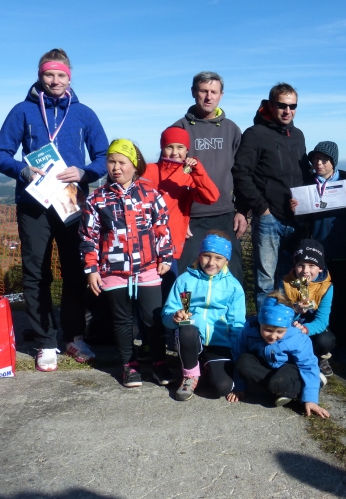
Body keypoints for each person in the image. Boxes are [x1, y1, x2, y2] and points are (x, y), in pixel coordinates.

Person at [0, 48, 108, 372]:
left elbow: (102, 157)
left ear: (70, 77)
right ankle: (45, 341)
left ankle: (74, 337)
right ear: (40, 76)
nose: (55, 81)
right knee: (36, 273)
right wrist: (22, 171)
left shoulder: (84, 114)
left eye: (60, 75)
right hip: (34, 205)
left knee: (75, 271)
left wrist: (84, 172)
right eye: (48, 75)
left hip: (71, 202)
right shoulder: (22, 111)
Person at [80, 139, 174, 388]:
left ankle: (159, 362)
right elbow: (88, 237)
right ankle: (128, 366)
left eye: (122, 162)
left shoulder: (151, 194)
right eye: (111, 161)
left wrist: (165, 256)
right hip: (113, 270)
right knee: (122, 321)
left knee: (153, 318)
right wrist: (91, 269)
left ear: (134, 165)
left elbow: (162, 228)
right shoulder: (96, 198)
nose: (116, 167)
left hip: (148, 268)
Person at [232, 83, 310, 308]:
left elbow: (304, 173)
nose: (288, 111)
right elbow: (241, 172)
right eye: (282, 105)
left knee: (292, 279)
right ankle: (265, 328)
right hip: (269, 218)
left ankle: (286, 325)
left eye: (293, 106)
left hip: (296, 219)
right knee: (266, 282)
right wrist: (261, 208)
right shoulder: (255, 134)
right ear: (271, 105)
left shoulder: (298, 135)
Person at [170, 71, 246, 284]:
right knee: (186, 276)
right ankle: (186, 308)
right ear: (193, 92)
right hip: (191, 217)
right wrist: (178, 219)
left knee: (232, 275)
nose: (208, 97)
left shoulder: (232, 129)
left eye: (214, 92)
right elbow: (169, 178)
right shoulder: (179, 128)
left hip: (226, 214)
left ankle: (231, 309)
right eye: (203, 91)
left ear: (221, 95)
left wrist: (242, 210)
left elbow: (242, 173)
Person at [291, 142, 346, 361]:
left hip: (342, 251)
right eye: (315, 160)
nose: (318, 164)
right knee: (310, 298)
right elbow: (301, 222)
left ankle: (341, 343)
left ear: (333, 161)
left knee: (344, 300)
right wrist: (295, 211)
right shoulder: (306, 184)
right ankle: (314, 341)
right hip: (314, 257)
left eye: (324, 160)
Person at [162, 232, 245, 401]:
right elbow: (166, 315)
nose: (211, 262)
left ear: (227, 260)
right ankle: (190, 375)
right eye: (207, 256)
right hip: (191, 339)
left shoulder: (234, 286)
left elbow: (237, 325)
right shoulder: (184, 280)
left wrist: (239, 374)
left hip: (219, 343)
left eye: (218, 258)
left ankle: (204, 367)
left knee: (223, 387)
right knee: (187, 329)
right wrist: (174, 317)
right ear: (199, 255)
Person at [144, 126, 220, 301]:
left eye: (180, 147)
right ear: (162, 148)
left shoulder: (190, 176)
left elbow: (211, 197)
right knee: (146, 296)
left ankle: (176, 319)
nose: (175, 152)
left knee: (171, 293)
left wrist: (198, 170)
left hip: (171, 246)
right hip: (144, 243)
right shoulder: (148, 170)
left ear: (187, 150)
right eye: (169, 147)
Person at [229, 292, 330, 418]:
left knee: (278, 382)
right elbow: (238, 353)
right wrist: (239, 387)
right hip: (265, 366)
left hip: (289, 368)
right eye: (268, 330)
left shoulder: (297, 338)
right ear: (260, 321)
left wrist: (311, 399)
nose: (273, 336)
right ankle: (279, 389)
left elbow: (308, 365)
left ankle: (312, 385)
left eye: (280, 332)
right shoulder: (248, 330)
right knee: (242, 361)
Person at [281, 240, 335, 376]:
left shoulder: (327, 288)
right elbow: (279, 314)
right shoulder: (285, 283)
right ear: (295, 266)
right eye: (301, 265)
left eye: (312, 265)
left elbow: (322, 321)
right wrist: (295, 310)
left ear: (320, 268)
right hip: (291, 326)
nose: (305, 271)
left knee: (325, 340)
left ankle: (319, 357)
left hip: (311, 328)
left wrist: (305, 329)